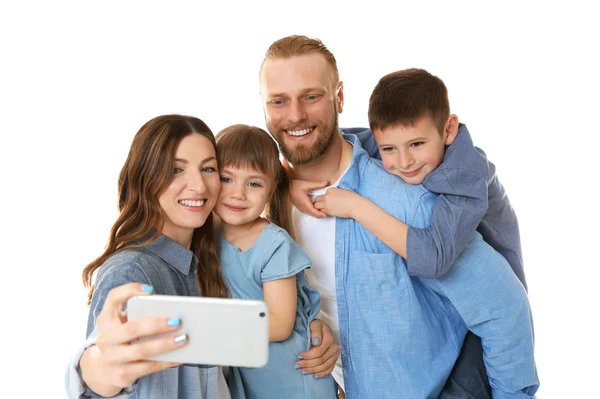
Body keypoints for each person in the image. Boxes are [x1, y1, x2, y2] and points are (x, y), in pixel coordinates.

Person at [259, 35, 539, 398]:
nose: (295, 115)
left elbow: (505, 310)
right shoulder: (266, 197)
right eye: (279, 101)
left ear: (339, 97)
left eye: (311, 97)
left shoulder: (406, 197)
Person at [64, 114, 338, 399]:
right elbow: (101, 365)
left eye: (208, 169)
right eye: (175, 169)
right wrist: (98, 367)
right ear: (145, 177)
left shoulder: (205, 257)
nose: (198, 185)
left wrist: (310, 326)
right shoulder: (134, 270)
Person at [213, 124, 336, 399]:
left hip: (292, 376)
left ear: (271, 190)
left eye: (253, 183)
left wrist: (210, 331)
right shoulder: (207, 236)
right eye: (226, 179)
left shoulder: (273, 243)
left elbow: (280, 324)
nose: (238, 194)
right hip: (251, 371)